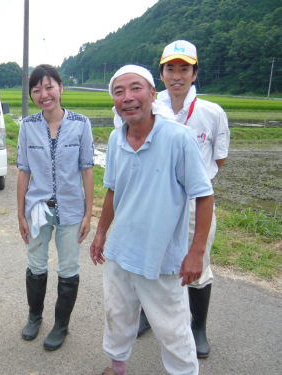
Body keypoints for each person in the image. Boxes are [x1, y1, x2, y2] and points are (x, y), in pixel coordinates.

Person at [90, 65, 214, 375]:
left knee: (173, 328)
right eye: (119, 92)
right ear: (114, 101)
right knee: (117, 315)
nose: (128, 97)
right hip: (119, 252)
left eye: (135, 89)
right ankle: (117, 367)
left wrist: (196, 251)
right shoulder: (117, 139)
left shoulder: (178, 138)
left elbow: (204, 195)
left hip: (159, 256)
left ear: (151, 94)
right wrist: (101, 233)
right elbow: (113, 191)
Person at [137, 40, 230, 359]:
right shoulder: (149, 109)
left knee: (197, 266)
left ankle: (197, 328)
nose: (177, 75)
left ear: (195, 73)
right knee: (150, 261)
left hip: (194, 205)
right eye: (170, 68)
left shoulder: (212, 113)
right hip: (155, 203)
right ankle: (146, 316)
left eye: (184, 69)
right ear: (161, 73)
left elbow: (218, 160)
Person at [17, 64, 94, 351]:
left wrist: (88, 212)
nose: (43, 94)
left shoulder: (81, 123)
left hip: (72, 208)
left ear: (61, 87)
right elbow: (23, 172)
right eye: (36, 90)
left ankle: (61, 324)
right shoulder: (27, 126)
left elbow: (87, 169)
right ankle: (34, 317)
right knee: (35, 265)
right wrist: (20, 215)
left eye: (48, 87)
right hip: (37, 208)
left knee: (69, 267)